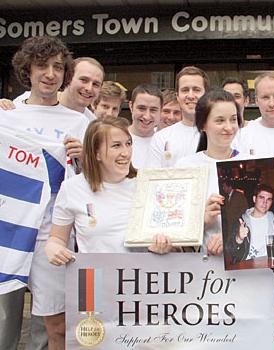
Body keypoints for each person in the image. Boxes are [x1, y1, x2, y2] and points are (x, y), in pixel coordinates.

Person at [44, 117, 172, 349]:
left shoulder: (147, 184)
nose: (126, 152)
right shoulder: (72, 188)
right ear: (96, 153)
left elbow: (169, 236)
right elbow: (56, 238)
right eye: (116, 145)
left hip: (142, 286)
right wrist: (53, 248)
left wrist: (165, 244)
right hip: (93, 286)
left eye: (128, 143)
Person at [0, 36, 89, 350]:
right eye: (42, 66)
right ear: (28, 69)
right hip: (9, 231)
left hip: (53, 233)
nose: (50, 74)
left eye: (57, 67)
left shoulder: (80, 122)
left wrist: (83, 158)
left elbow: (90, 182)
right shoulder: (6, 117)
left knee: (55, 324)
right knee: (4, 322)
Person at [177, 89, 246, 254]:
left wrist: (230, 235)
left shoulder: (250, 163)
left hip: (243, 265)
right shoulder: (186, 166)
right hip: (201, 266)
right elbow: (175, 225)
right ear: (203, 125)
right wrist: (203, 221)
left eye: (233, 120)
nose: (228, 127)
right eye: (220, 121)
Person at [0, 56, 104, 123]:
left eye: (96, 84)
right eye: (84, 80)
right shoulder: (26, 100)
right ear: (68, 77)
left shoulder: (91, 124)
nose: (89, 88)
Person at [148, 66, 209, 168]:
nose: (190, 95)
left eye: (196, 90)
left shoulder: (219, 134)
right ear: (177, 96)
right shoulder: (161, 138)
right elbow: (153, 178)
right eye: (185, 90)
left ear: (206, 95)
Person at [227, 184, 274, 263]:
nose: (265, 203)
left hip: (271, 264)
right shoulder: (241, 222)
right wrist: (239, 238)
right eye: (262, 198)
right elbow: (230, 250)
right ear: (254, 199)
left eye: (269, 199)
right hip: (247, 264)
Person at [128, 83, 162, 168]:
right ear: (131, 106)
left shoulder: (164, 142)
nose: (147, 116)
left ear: (161, 111)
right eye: (141, 108)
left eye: (153, 110)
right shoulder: (116, 139)